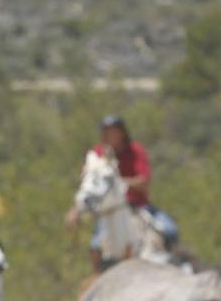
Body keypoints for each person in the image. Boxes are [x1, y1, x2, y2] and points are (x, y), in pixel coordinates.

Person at [64, 115, 179, 271]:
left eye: (115, 132)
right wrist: (76, 209)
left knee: (170, 230)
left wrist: (117, 181)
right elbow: (90, 185)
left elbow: (144, 181)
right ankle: (99, 278)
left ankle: (176, 269)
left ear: (122, 133)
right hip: (109, 210)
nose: (112, 136)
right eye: (108, 132)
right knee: (96, 245)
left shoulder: (135, 151)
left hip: (138, 206)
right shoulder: (97, 153)